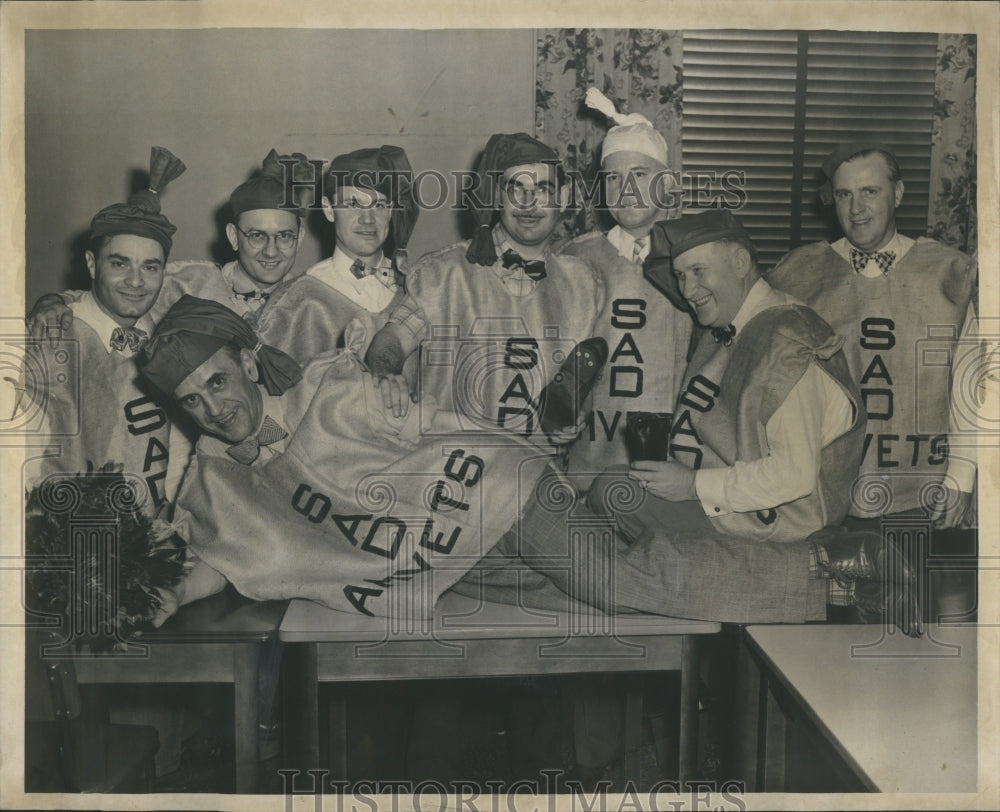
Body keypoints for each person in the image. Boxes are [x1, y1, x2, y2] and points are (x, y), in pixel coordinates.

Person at [766, 142, 978, 527]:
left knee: (912, 586)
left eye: (870, 192)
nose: (856, 208)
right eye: (844, 194)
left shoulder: (948, 274)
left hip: (925, 491)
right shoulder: (799, 273)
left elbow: (975, 385)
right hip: (822, 493)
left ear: (897, 194)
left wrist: (961, 475)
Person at [364, 132, 606, 441]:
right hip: (449, 467)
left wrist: (574, 418)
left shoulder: (584, 284)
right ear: (496, 195)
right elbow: (392, 339)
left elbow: (581, 386)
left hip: (536, 471)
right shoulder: (444, 274)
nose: (528, 204)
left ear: (564, 194)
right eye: (515, 188)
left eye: (542, 189)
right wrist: (385, 373)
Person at [25, 146, 189, 513]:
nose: (136, 281)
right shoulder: (49, 337)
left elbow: (176, 446)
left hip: (150, 537)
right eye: (120, 263)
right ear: (91, 264)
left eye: (150, 267)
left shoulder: (164, 335)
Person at [26, 149, 310, 340]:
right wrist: (52, 302)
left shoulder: (314, 303)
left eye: (284, 236)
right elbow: (104, 296)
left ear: (300, 238)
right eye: (257, 236)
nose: (271, 251)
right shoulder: (186, 282)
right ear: (234, 237)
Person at [559, 87, 692, 488]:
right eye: (613, 178)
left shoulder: (695, 257)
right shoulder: (574, 259)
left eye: (640, 174)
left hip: (674, 465)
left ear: (667, 184)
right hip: (590, 460)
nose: (627, 189)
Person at [252, 145, 418, 364]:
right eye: (352, 204)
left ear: (390, 212)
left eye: (378, 205)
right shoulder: (298, 301)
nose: (367, 219)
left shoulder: (415, 288)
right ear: (329, 210)